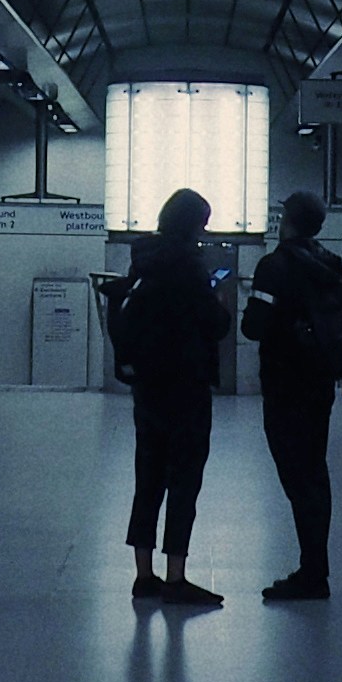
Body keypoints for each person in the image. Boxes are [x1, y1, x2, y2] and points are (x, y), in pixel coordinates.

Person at [240, 189, 342, 601]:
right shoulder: (335, 266)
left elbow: (253, 327)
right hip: (321, 385)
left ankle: (312, 574)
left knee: (296, 478)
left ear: (285, 221)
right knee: (315, 472)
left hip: (283, 384)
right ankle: (316, 566)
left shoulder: (273, 266)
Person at [110, 187, 227, 608]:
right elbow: (216, 325)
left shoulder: (142, 260)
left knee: (148, 478)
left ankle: (144, 576)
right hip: (187, 387)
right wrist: (215, 297)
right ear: (193, 224)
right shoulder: (190, 266)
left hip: (148, 387)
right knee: (183, 482)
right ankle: (175, 578)